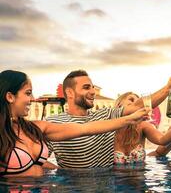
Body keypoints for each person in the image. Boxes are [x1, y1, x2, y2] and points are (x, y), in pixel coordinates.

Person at [0, 70, 149, 177]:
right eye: (28, 93)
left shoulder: (35, 127)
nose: (32, 98)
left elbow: (85, 128)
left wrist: (130, 118)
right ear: (10, 96)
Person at [47, 70, 171, 168]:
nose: (93, 92)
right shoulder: (52, 122)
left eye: (93, 87)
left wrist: (168, 88)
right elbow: (36, 159)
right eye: (86, 87)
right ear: (70, 92)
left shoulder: (105, 116)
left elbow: (138, 106)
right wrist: (61, 173)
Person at [113, 92, 171, 164]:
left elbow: (162, 140)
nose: (137, 103)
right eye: (131, 100)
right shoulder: (109, 127)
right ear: (119, 105)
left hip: (140, 175)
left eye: (139, 101)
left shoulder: (142, 126)